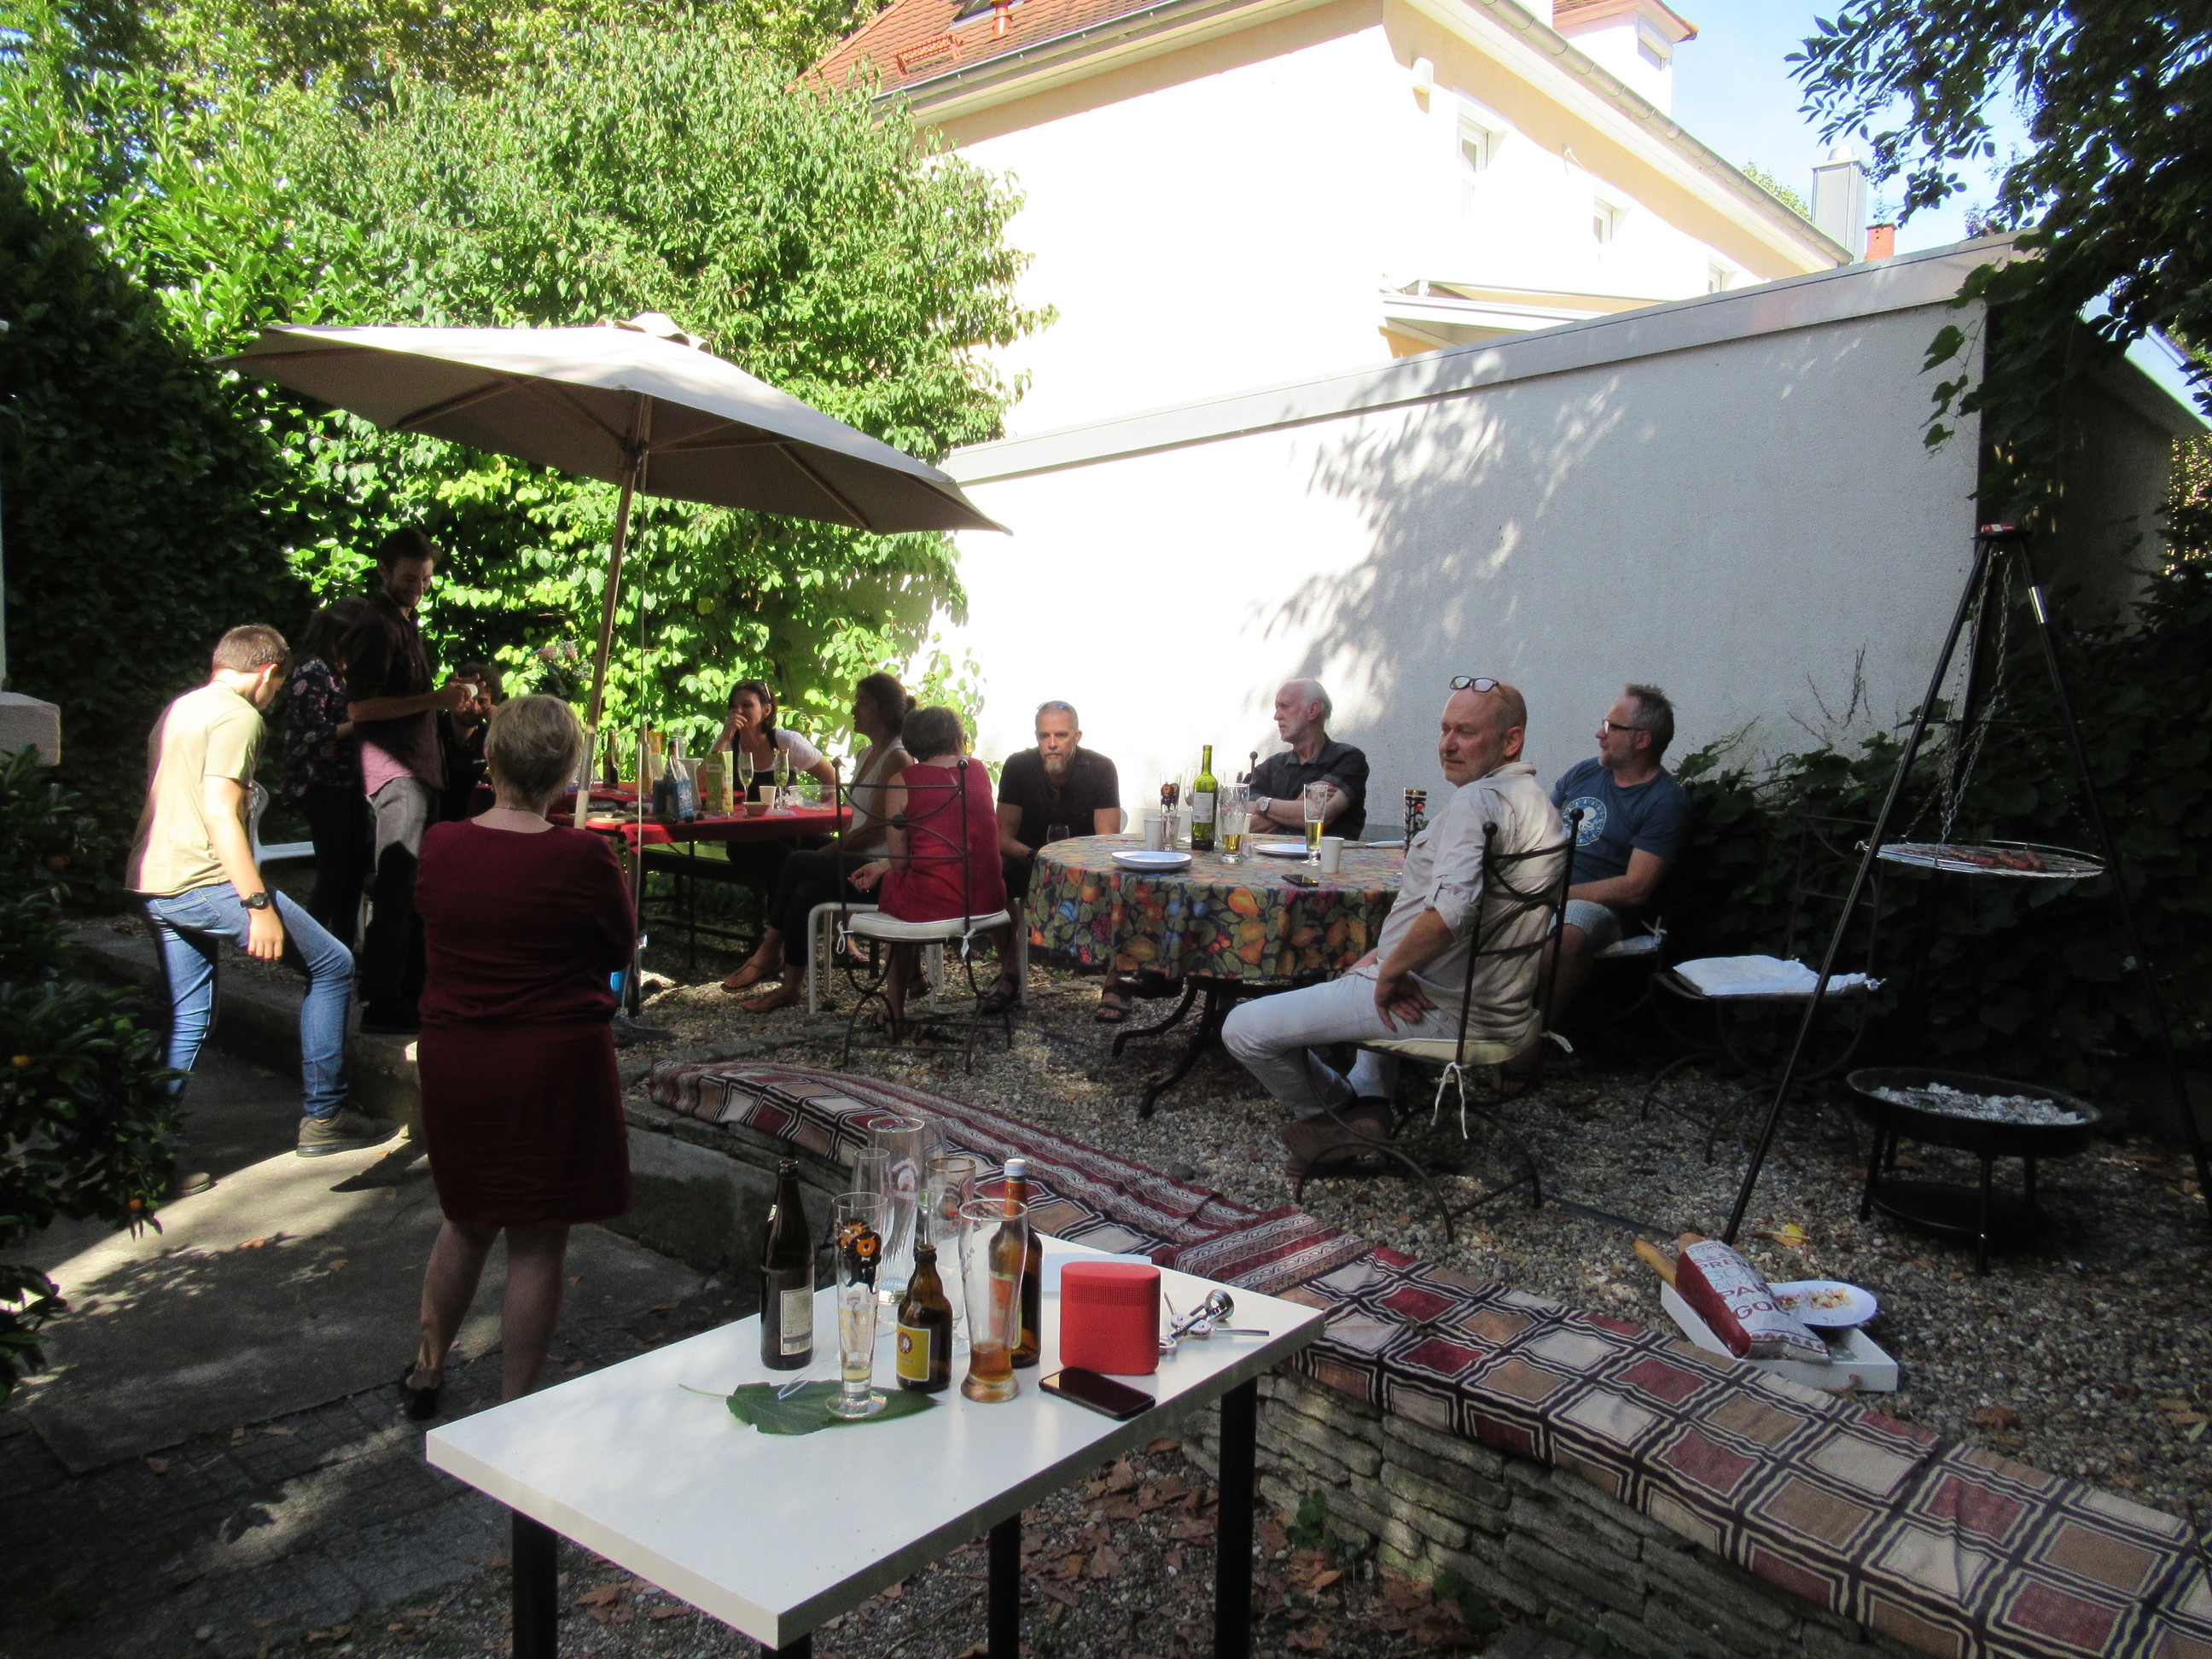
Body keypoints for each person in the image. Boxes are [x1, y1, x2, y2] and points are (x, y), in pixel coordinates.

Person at [1221, 678, 1562, 1174]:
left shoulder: (1476, 804)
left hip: (1446, 1007)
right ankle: (1370, 1105)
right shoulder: (1539, 805)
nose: (1447, 744)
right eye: (1444, 729)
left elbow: (1452, 911)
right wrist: (1385, 957)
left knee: (1242, 1028)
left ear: (1511, 741)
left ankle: (1338, 1117)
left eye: (1466, 732)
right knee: (1361, 960)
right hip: (1501, 1003)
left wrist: (1391, 971)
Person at [403, 695, 637, 1417]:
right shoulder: (584, 855)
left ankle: (425, 1371)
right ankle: (514, 1409)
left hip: (459, 1059)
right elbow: (618, 950)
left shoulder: (443, 845)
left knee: (465, 1217)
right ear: (566, 771)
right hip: (551, 1065)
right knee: (537, 1243)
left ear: (492, 758)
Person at [128, 625, 389, 1158]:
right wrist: (257, 904)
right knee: (333, 964)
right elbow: (219, 812)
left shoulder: (183, 706)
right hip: (204, 880)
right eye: (278, 687)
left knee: (191, 1018)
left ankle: (144, 1152)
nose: (274, 699)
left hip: (155, 878)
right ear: (269, 672)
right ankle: (327, 1115)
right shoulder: (239, 715)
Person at [342, 529, 475, 1034]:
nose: (419, 587)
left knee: (416, 888)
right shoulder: (375, 626)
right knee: (397, 888)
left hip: (420, 768)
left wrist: (444, 701)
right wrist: (435, 700)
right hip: (396, 771)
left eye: (425, 578)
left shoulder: (404, 623)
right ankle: (382, 1002)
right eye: (409, 578)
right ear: (383, 571)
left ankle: (411, 994)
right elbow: (360, 708)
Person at [721, 672, 915, 1006]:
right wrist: (831, 848)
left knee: (797, 860)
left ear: (883, 710)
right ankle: (790, 988)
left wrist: (829, 849)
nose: (853, 710)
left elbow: (875, 829)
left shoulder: (896, 757)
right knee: (803, 891)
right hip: (860, 860)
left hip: (881, 869)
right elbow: (855, 817)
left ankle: (770, 950)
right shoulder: (868, 753)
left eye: (862, 703)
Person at [847, 705, 1010, 1035]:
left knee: (898, 885)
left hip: (940, 904)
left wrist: (884, 867)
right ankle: (914, 981)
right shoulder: (977, 770)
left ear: (911, 746)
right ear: (957, 742)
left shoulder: (902, 782)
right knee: (905, 882)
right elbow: (954, 841)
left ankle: (895, 1012)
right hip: (988, 900)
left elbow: (900, 862)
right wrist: (882, 866)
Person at [1545, 684, 1691, 1018]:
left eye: (1611, 727)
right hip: (1540, 889)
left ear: (1642, 739)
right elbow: (1536, 834)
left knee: (1568, 935)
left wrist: (1555, 896)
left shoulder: (1665, 800)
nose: (1600, 734)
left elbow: (1636, 887)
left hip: (1598, 908)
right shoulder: (1584, 772)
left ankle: (1536, 1034)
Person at [993, 700, 1124, 1016]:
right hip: (1030, 861)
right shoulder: (1019, 767)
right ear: (1037, 737)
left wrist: (1074, 865)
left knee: (1124, 880)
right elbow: (1002, 837)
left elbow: (1106, 841)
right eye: (1044, 736)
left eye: (1061, 735)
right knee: (993, 874)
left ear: (1076, 737)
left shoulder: (1100, 769)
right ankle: (1009, 970)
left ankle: (1116, 982)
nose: (1052, 743)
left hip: (1086, 865)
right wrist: (1035, 857)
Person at [283, 597, 373, 952]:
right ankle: (311, 953)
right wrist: (367, 722)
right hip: (320, 784)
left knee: (354, 872)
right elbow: (315, 732)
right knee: (334, 872)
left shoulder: (341, 669)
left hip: (349, 784)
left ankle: (344, 951)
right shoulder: (313, 671)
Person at [1247, 678, 1370, 840]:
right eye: (1276, 708)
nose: (1276, 716)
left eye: (1285, 706)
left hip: (1326, 856)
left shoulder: (1347, 759)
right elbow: (1241, 824)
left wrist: (1263, 804)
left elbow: (1320, 816)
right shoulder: (1268, 768)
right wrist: (1299, 806)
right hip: (1268, 856)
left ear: (1312, 710)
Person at [713, 679, 839, 795]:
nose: (738, 711)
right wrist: (724, 738)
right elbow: (704, 786)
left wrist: (825, 808)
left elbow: (832, 778)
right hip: (741, 814)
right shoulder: (725, 743)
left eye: (747, 705)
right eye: (734, 706)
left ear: (767, 710)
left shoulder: (787, 741)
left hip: (785, 813)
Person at [439, 662, 505, 822]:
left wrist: (499, 723)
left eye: (482, 702)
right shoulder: (432, 728)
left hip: (463, 820)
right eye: (468, 700)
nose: (474, 708)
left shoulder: (489, 737)